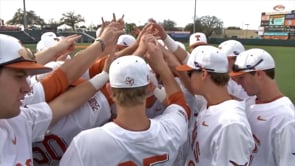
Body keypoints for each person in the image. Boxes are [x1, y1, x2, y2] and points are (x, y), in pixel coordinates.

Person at [0, 20, 123, 165]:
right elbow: (63, 79)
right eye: (19, 77)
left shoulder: (16, 121)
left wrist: (104, 75)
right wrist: (100, 44)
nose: (26, 88)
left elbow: (64, 103)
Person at [60, 34, 190, 166]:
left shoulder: (87, 143)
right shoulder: (171, 129)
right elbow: (179, 103)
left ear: (110, 89)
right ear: (150, 87)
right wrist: (161, 66)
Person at [176, 45, 254, 165]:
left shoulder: (230, 124)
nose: (188, 78)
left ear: (204, 74)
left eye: (190, 73)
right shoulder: (209, 104)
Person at [230, 48, 295, 166]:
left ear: (259, 74)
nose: (238, 83)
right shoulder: (250, 102)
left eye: (241, 77)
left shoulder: (287, 119)